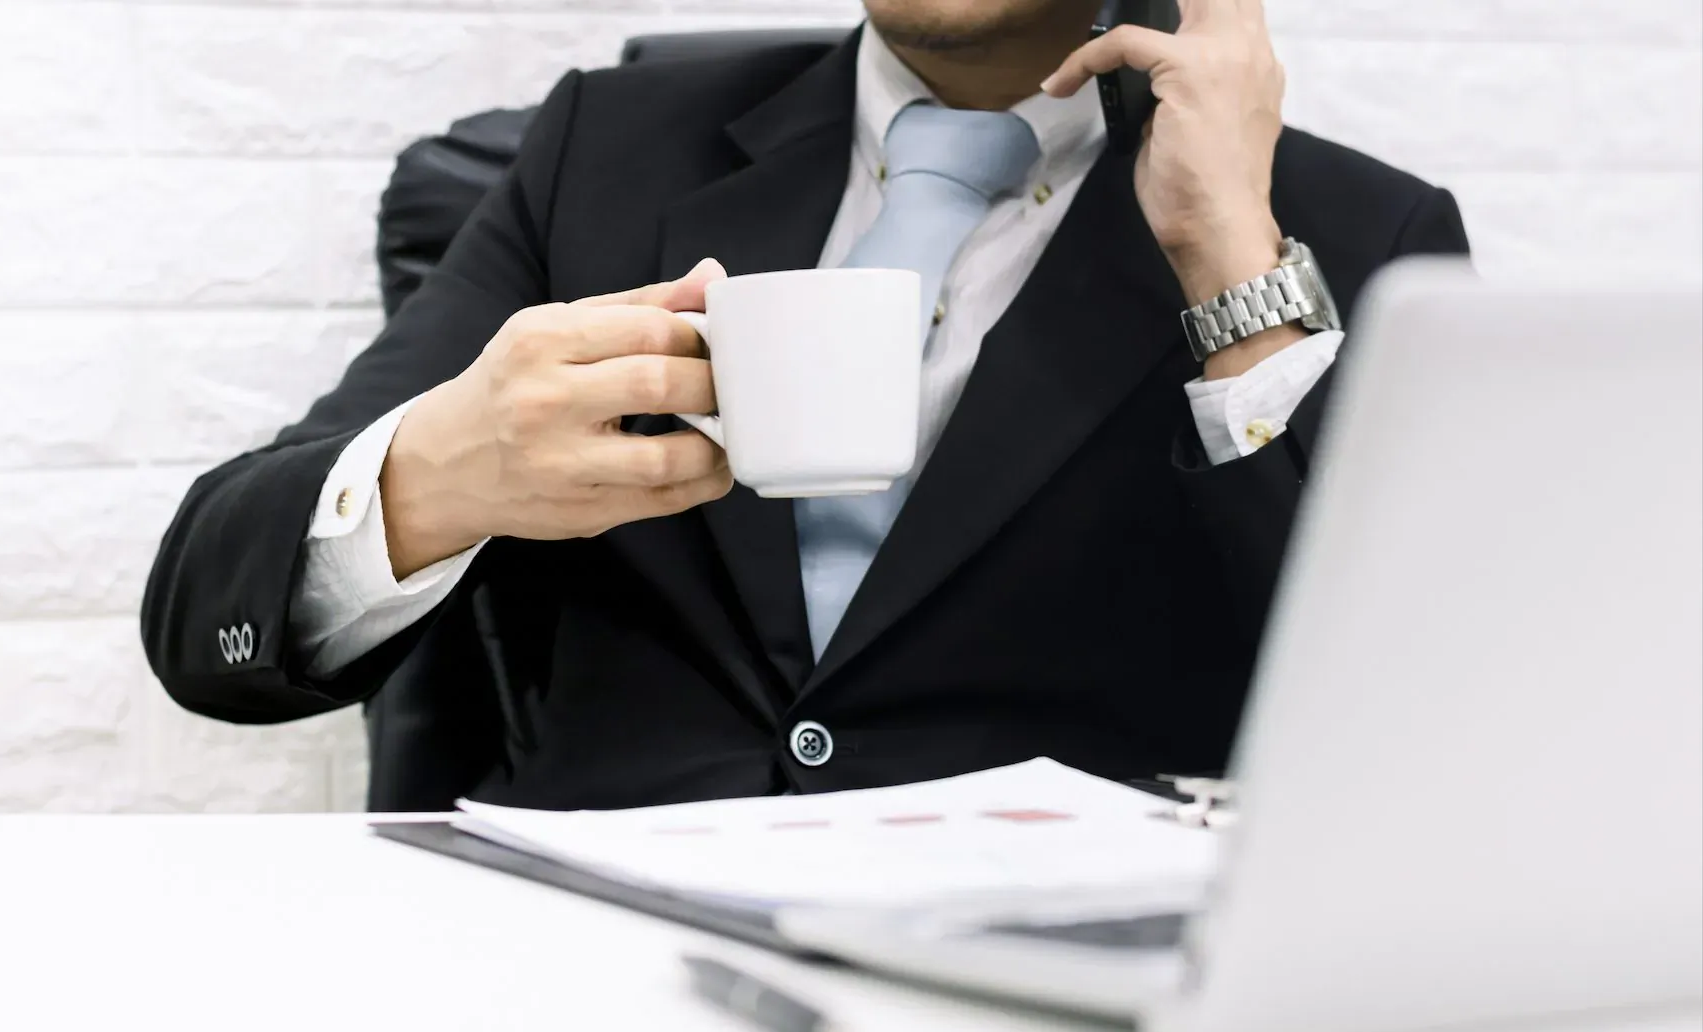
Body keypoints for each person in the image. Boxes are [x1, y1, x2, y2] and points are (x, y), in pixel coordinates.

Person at [141, 0, 1469, 810]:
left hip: (1049, 1008)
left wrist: (1229, 259)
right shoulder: (602, 149)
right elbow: (207, 619)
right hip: (588, 981)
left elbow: (1432, 748)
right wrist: (437, 473)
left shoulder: (1340, 234)